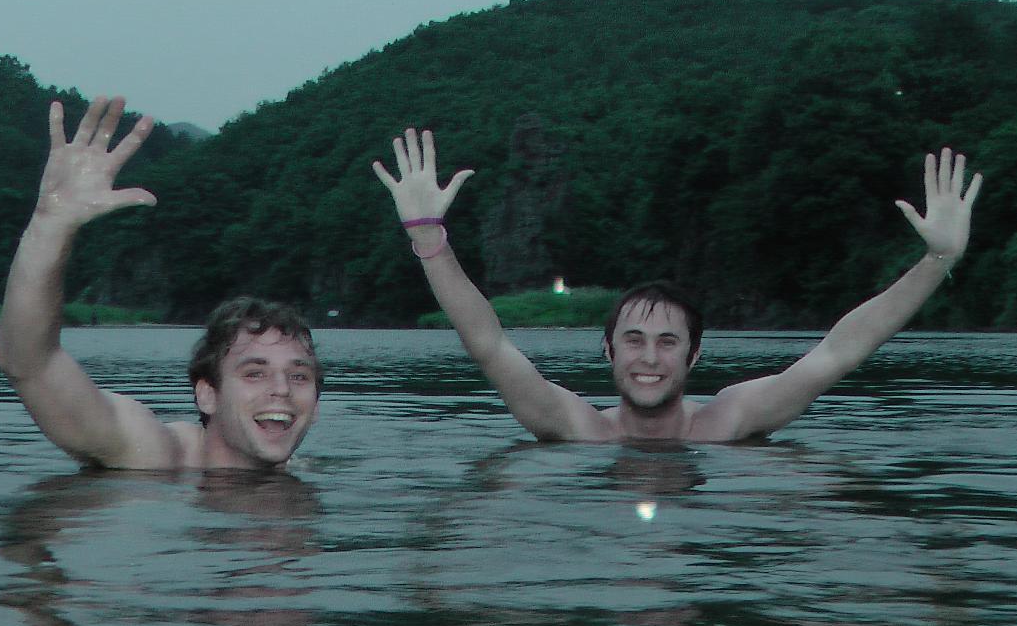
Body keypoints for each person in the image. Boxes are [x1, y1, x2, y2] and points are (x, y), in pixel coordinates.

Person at [372, 128, 983, 444]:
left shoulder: (731, 420)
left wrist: (935, 260)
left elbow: (840, 352)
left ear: (695, 355)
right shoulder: (574, 426)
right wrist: (429, 238)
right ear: (607, 350)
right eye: (634, 340)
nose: (649, 358)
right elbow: (489, 344)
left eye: (668, 343)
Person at [0, 95, 320, 469]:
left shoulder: (306, 472)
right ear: (207, 395)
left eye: (299, 375)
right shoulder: (155, 455)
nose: (281, 390)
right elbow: (28, 361)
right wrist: (51, 223)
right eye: (254, 373)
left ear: (316, 406)